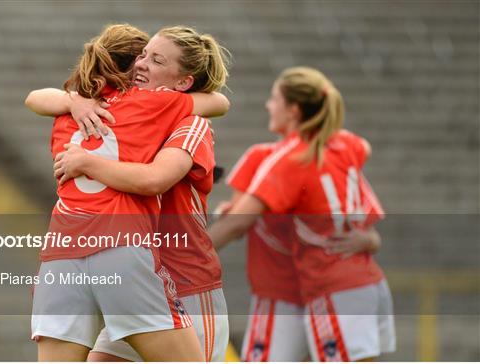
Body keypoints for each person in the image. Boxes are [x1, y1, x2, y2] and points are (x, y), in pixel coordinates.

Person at [26, 25, 231, 361]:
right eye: (142, 55)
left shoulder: (190, 121)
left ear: (184, 81)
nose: (141, 64)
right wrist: (75, 100)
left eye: (155, 59)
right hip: (133, 270)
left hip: (185, 283)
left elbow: (154, 180)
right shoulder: (130, 107)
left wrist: (84, 156)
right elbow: (219, 101)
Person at [208, 66, 395, 361]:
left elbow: (235, 224)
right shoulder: (342, 144)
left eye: (274, 98)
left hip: (310, 290)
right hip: (360, 282)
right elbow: (363, 149)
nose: (268, 105)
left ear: (293, 109)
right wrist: (371, 239)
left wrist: (185, 257)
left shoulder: (284, 159)